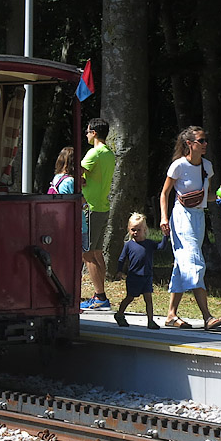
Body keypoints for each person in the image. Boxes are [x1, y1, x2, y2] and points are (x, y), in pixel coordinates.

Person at [159, 126, 221, 330]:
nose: (205, 144)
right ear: (189, 144)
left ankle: (171, 315)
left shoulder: (207, 167)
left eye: (205, 141)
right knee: (194, 261)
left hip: (198, 218)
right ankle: (207, 317)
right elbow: (164, 193)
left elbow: (206, 195)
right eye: (201, 141)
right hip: (181, 217)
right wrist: (163, 218)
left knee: (182, 263)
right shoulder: (178, 166)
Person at [80, 118, 117, 311]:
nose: (86, 134)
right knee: (96, 253)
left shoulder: (93, 153)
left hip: (90, 208)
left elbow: (77, 173)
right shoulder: (109, 153)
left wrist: (81, 180)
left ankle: (100, 297)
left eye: (87, 131)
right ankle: (99, 294)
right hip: (103, 207)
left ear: (94, 132)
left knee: (86, 254)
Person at [114, 214, 165, 329]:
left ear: (145, 230)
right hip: (134, 277)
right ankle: (120, 314)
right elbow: (122, 259)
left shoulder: (149, 244)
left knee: (148, 299)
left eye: (138, 230)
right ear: (129, 229)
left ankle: (150, 321)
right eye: (133, 230)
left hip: (147, 276)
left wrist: (165, 236)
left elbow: (161, 247)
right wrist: (119, 271)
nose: (136, 232)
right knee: (130, 297)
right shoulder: (129, 245)